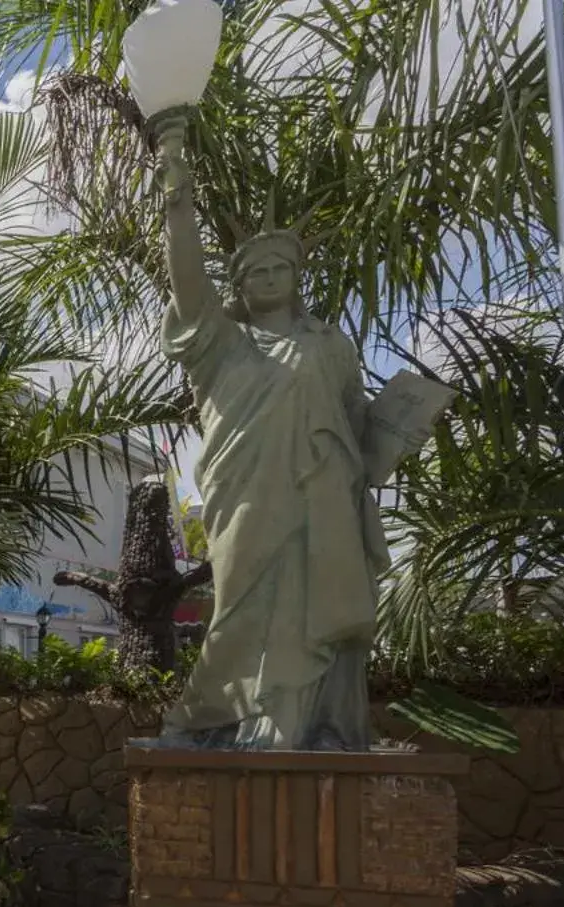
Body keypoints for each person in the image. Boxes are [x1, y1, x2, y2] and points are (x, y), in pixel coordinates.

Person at [151, 114, 391, 751]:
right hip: (248, 494)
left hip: (324, 495)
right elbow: (186, 280)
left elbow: (356, 419)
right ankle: (212, 717)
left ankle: (317, 725)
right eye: (253, 273)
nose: (266, 279)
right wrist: (177, 193)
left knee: (321, 608)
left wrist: (392, 438)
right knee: (238, 606)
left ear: (296, 277)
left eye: (278, 269)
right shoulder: (220, 344)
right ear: (239, 286)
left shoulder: (331, 344)